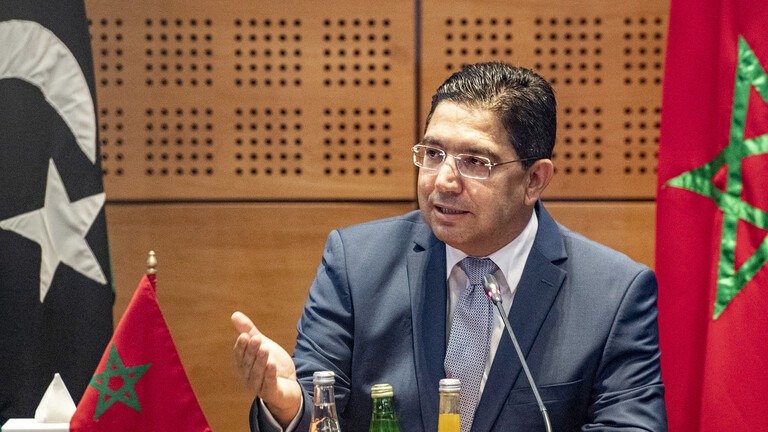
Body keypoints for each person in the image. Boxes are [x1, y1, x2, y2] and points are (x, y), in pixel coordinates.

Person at [232, 62, 667, 431]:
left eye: (475, 162)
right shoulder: (356, 263)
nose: (443, 180)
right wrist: (288, 406)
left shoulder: (613, 295)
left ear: (534, 180)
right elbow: (317, 401)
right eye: (433, 153)